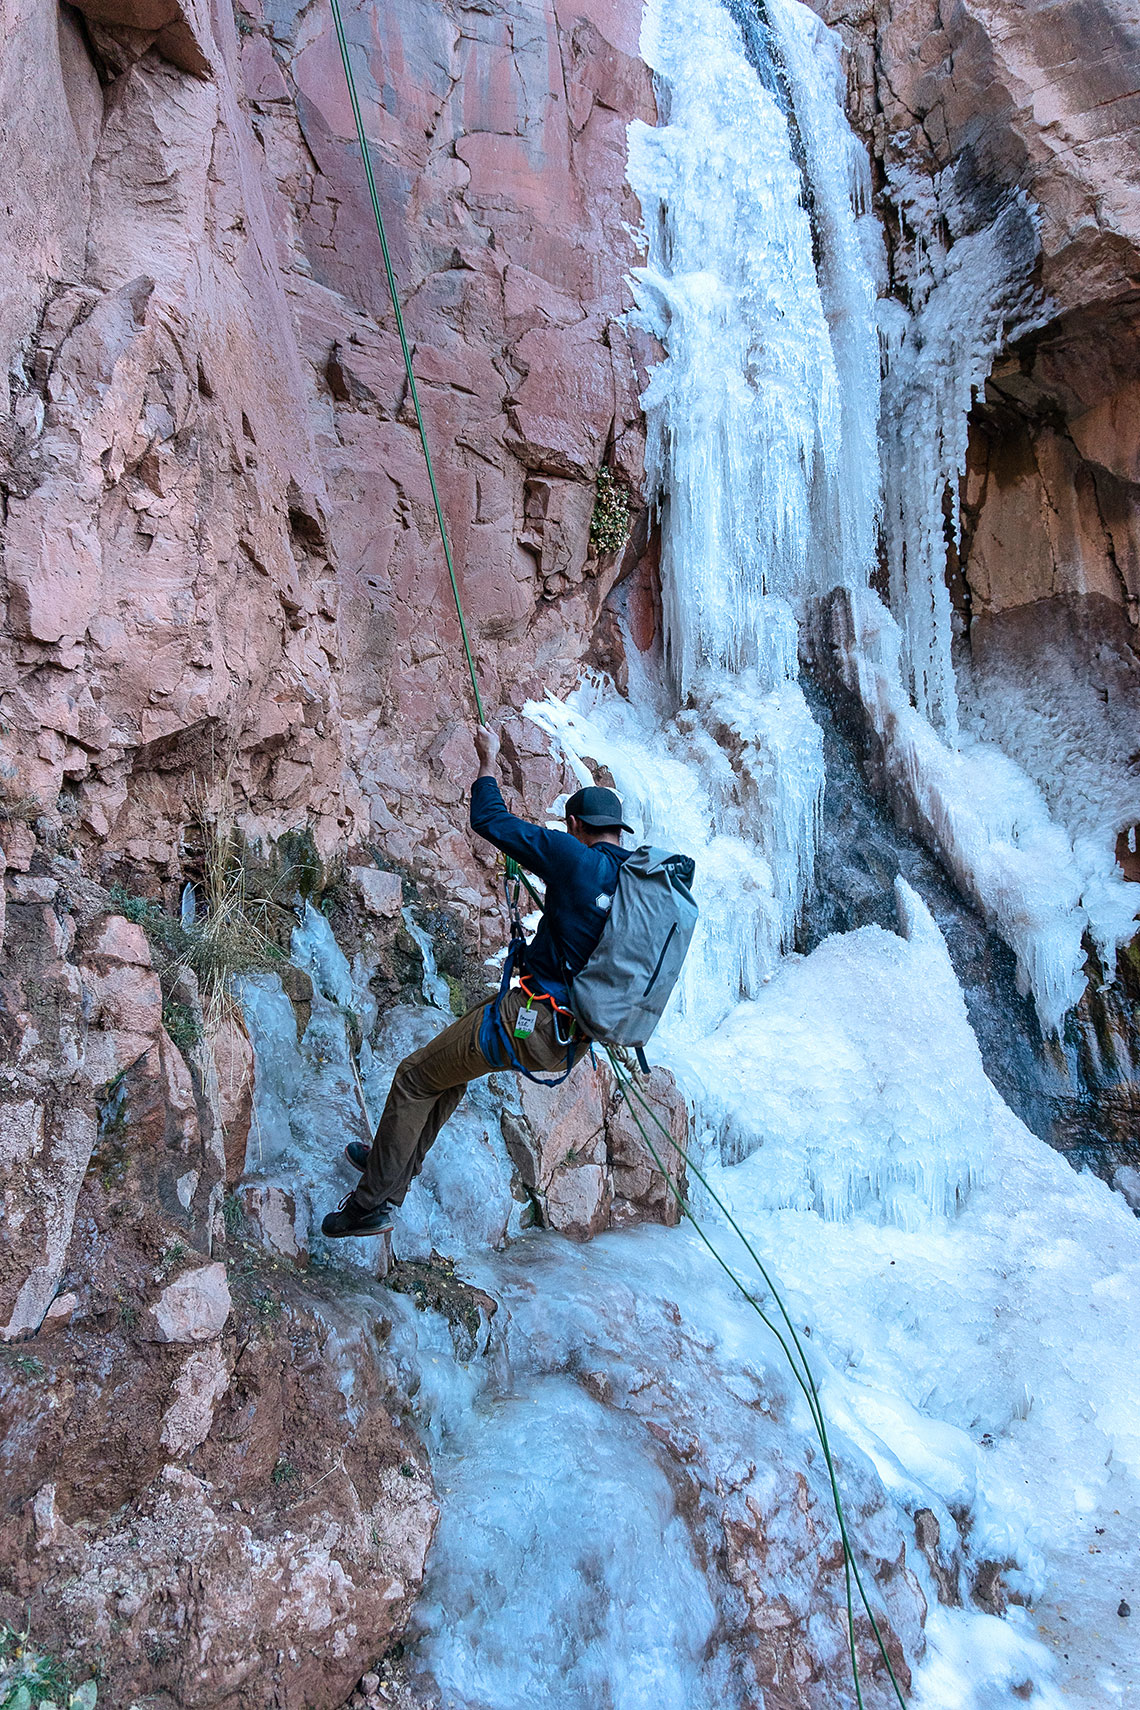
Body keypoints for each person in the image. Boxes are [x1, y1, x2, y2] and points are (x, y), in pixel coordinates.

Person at [321, 723, 634, 1238]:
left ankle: (370, 1205)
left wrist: (487, 760)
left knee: (413, 1077)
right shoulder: (634, 881)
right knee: (449, 1072)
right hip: (570, 1037)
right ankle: (389, 1163)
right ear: (619, 832)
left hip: (531, 1020)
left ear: (576, 823)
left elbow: (489, 819)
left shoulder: (575, 859)